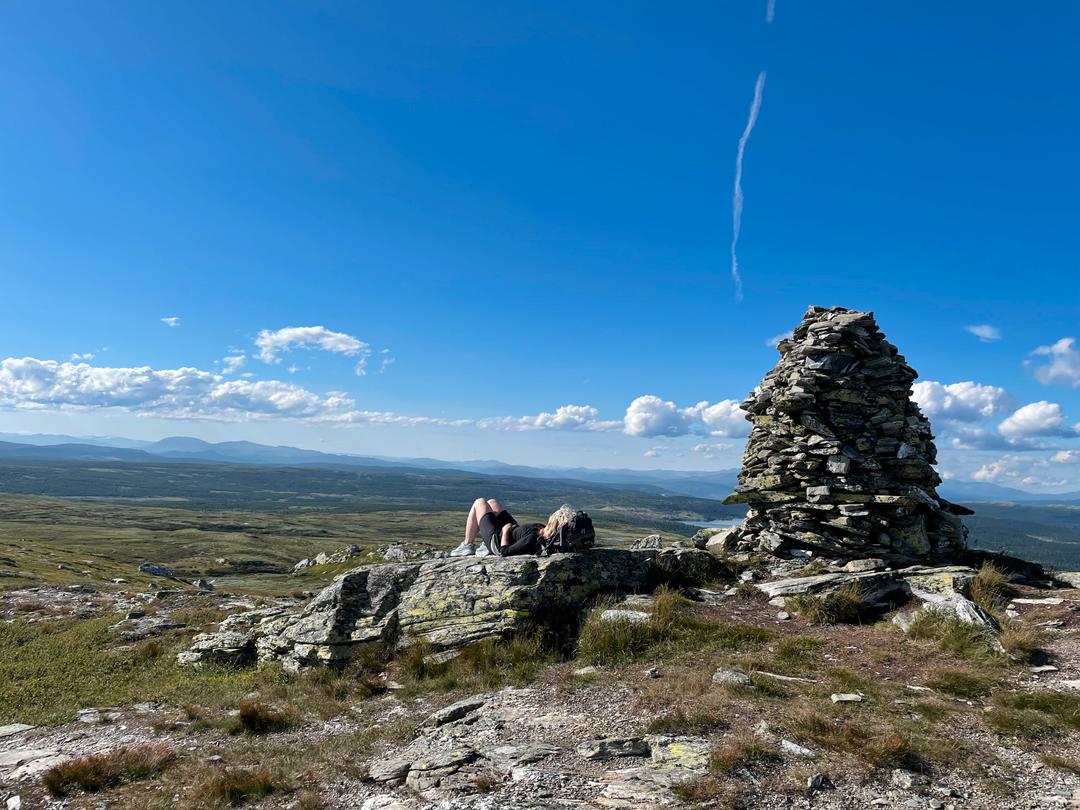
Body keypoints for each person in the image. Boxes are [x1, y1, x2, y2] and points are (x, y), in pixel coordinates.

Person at [451, 499, 576, 557]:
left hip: (497, 541)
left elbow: (504, 551)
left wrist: (505, 532)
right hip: (513, 531)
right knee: (493, 503)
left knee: (479, 503)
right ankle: (482, 544)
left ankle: (467, 545)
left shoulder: (533, 538)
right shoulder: (545, 534)